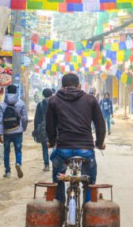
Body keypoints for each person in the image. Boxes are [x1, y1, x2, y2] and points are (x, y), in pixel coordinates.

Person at [45, 73, 106, 204]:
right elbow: (100, 124)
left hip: (63, 150)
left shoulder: (54, 100)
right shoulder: (90, 100)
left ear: (62, 86)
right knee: (89, 181)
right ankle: (89, 209)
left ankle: (59, 207)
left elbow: (50, 125)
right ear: (79, 86)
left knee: (58, 179)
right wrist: (100, 143)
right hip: (86, 150)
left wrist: (52, 141)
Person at [0, 85, 28, 178]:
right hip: (17, 131)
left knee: (6, 151)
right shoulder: (21, 104)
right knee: (18, 150)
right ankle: (18, 163)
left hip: (6, 132)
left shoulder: (2, 105)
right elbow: (25, 118)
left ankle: (7, 172)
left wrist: (0, 134)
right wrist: (23, 128)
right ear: (16, 92)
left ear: (7, 92)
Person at [33, 88, 53, 172]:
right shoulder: (56, 103)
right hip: (54, 128)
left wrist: (35, 130)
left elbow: (36, 119)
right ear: (51, 94)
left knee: (44, 147)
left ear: (43, 95)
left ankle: (46, 165)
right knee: (55, 146)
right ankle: (56, 164)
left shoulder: (40, 105)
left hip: (43, 129)